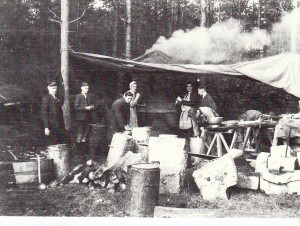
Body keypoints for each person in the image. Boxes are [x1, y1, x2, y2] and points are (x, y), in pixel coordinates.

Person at [41, 80, 67, 145]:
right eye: (53, 88)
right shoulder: (46, 99)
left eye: (55, 88)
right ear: (48, 88)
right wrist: (46, 127)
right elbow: (44, 114)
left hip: (59, 126)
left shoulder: (56, 98)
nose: (55, 90)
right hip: (51, 126)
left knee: (60, 144)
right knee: (52, 144)